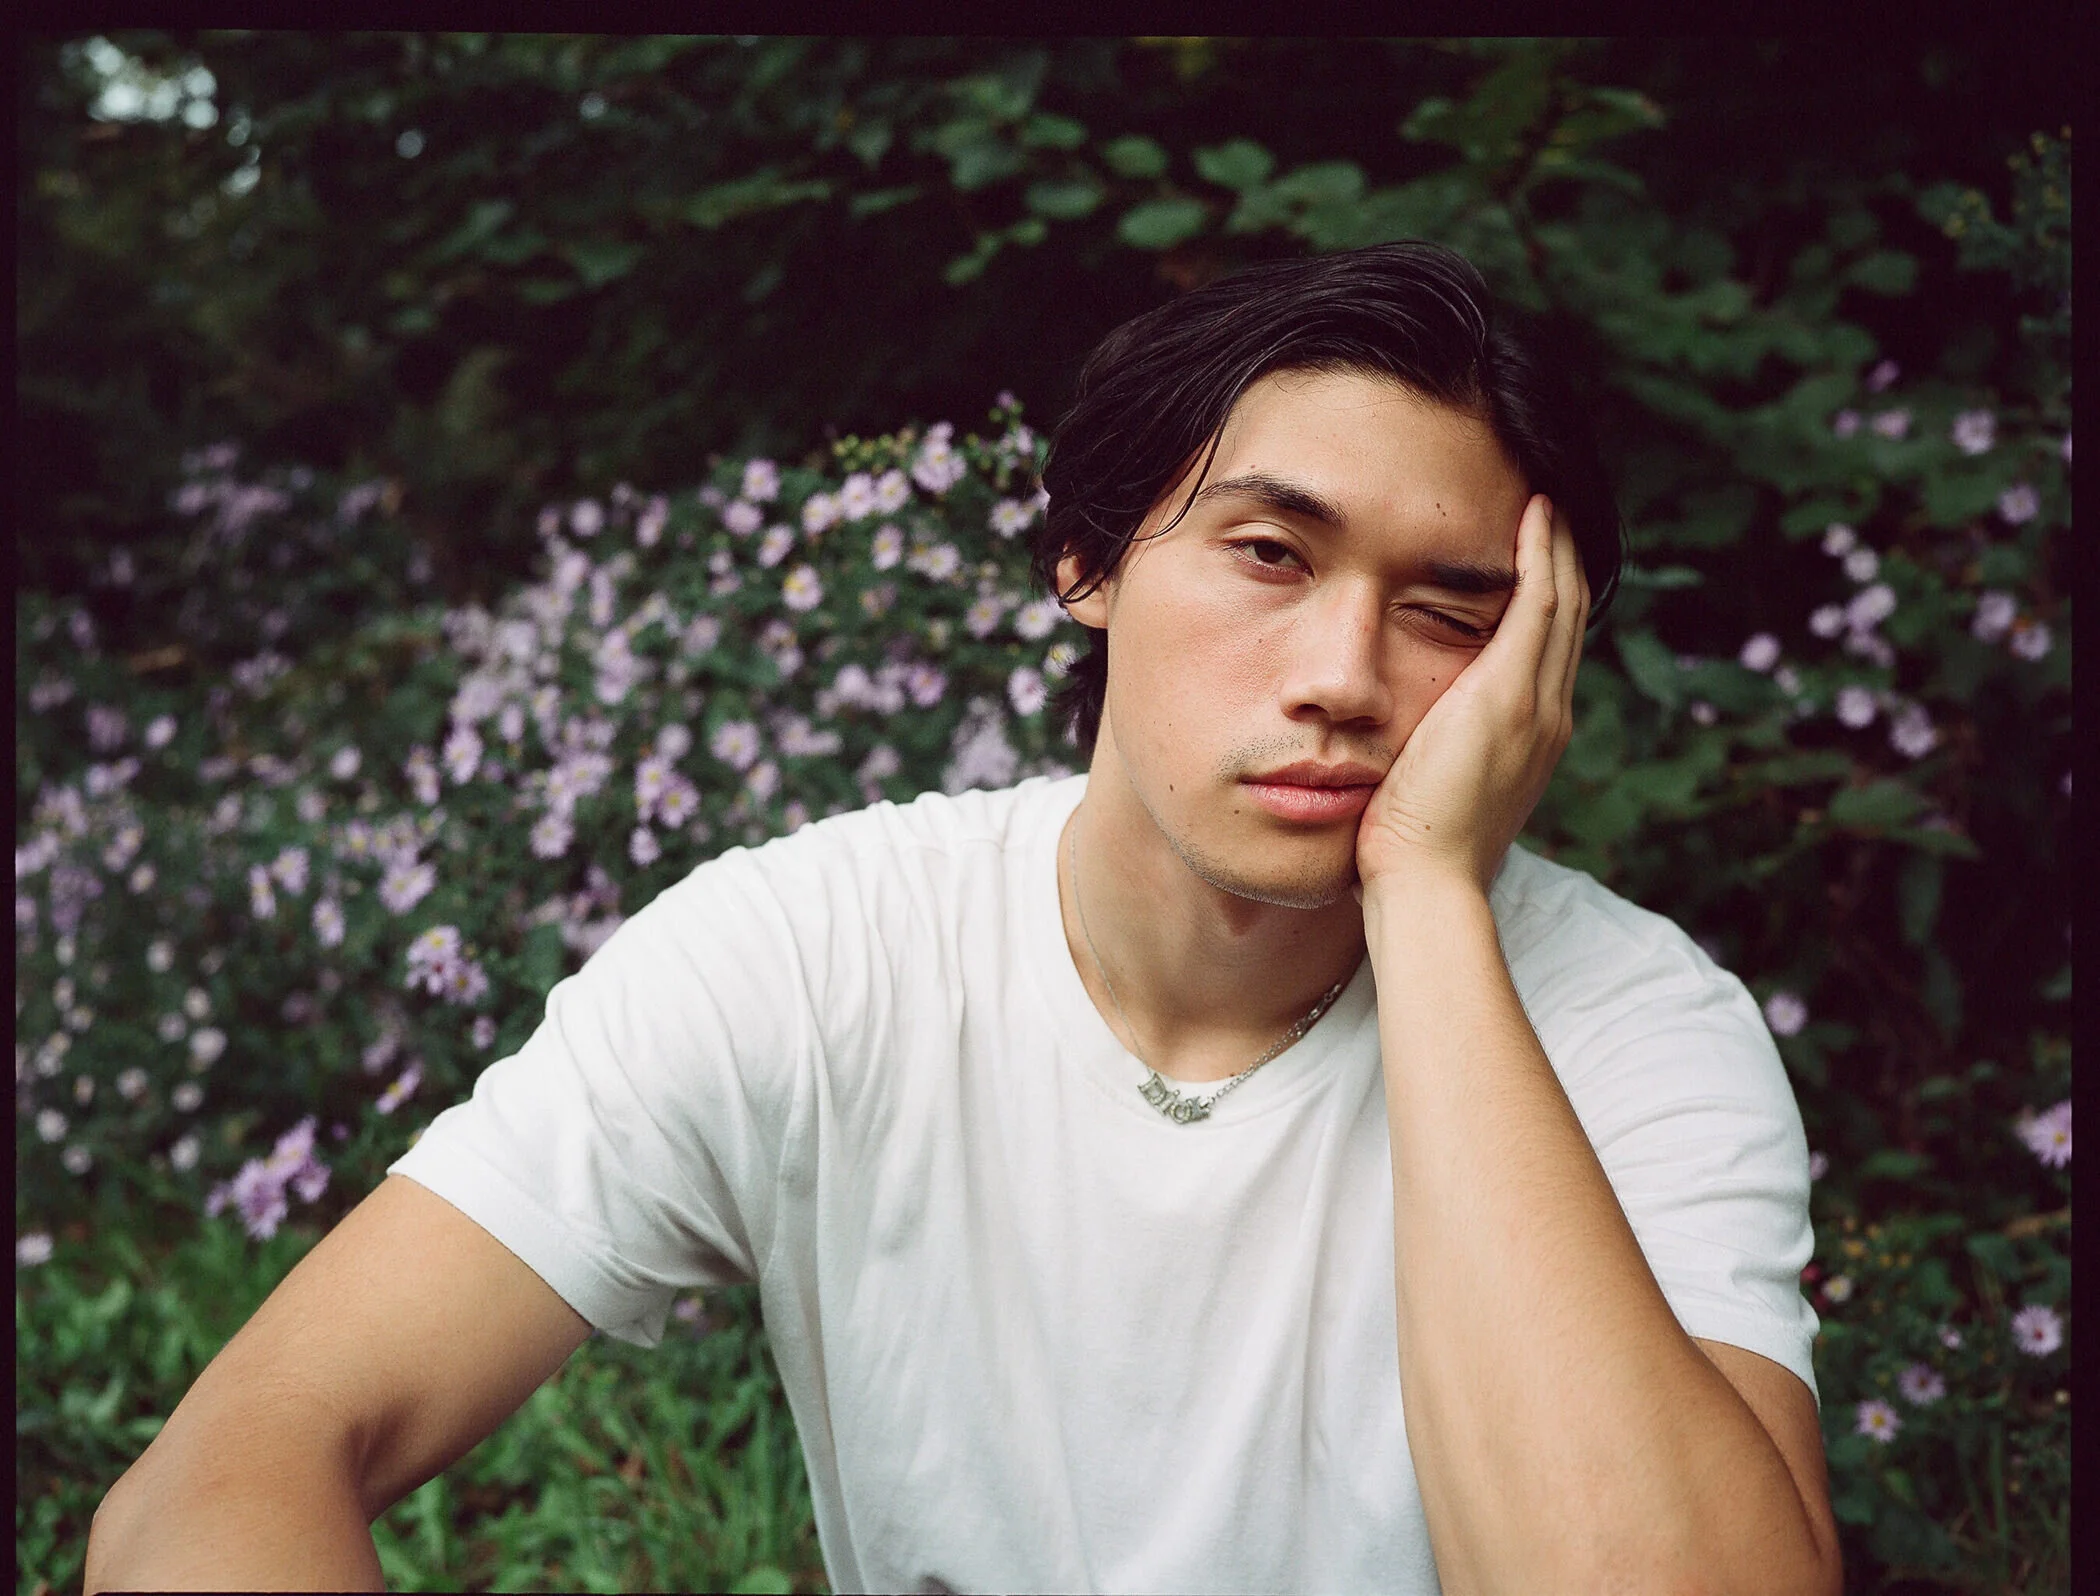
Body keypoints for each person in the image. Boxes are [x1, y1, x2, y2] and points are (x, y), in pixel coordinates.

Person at [86, 242, 1842, 1595]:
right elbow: (226, 1470)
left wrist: (1436, 901)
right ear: (1087, 560)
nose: (1343, 675)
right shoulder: (820, 954)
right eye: (1269, 554)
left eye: (1451, 610)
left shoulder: (1634, 1027)